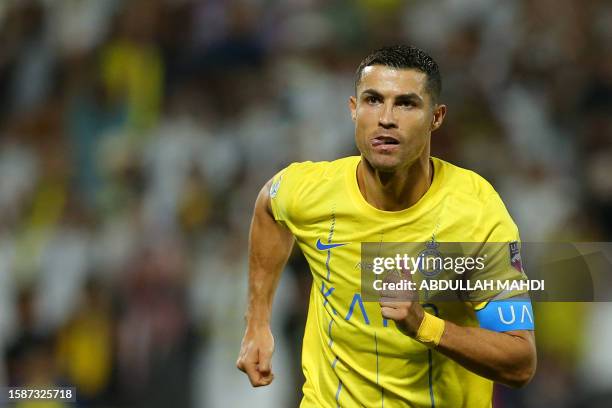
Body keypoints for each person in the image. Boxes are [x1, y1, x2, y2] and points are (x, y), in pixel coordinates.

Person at [236, 45, 537, 407]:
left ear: (436, 117)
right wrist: (257, 322)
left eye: (406, 103)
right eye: (373, 100)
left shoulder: (476, 214)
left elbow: (520, 361)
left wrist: (424, 325)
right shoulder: (313, 190)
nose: (386, 118)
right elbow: (269, 205)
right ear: (353, 109)